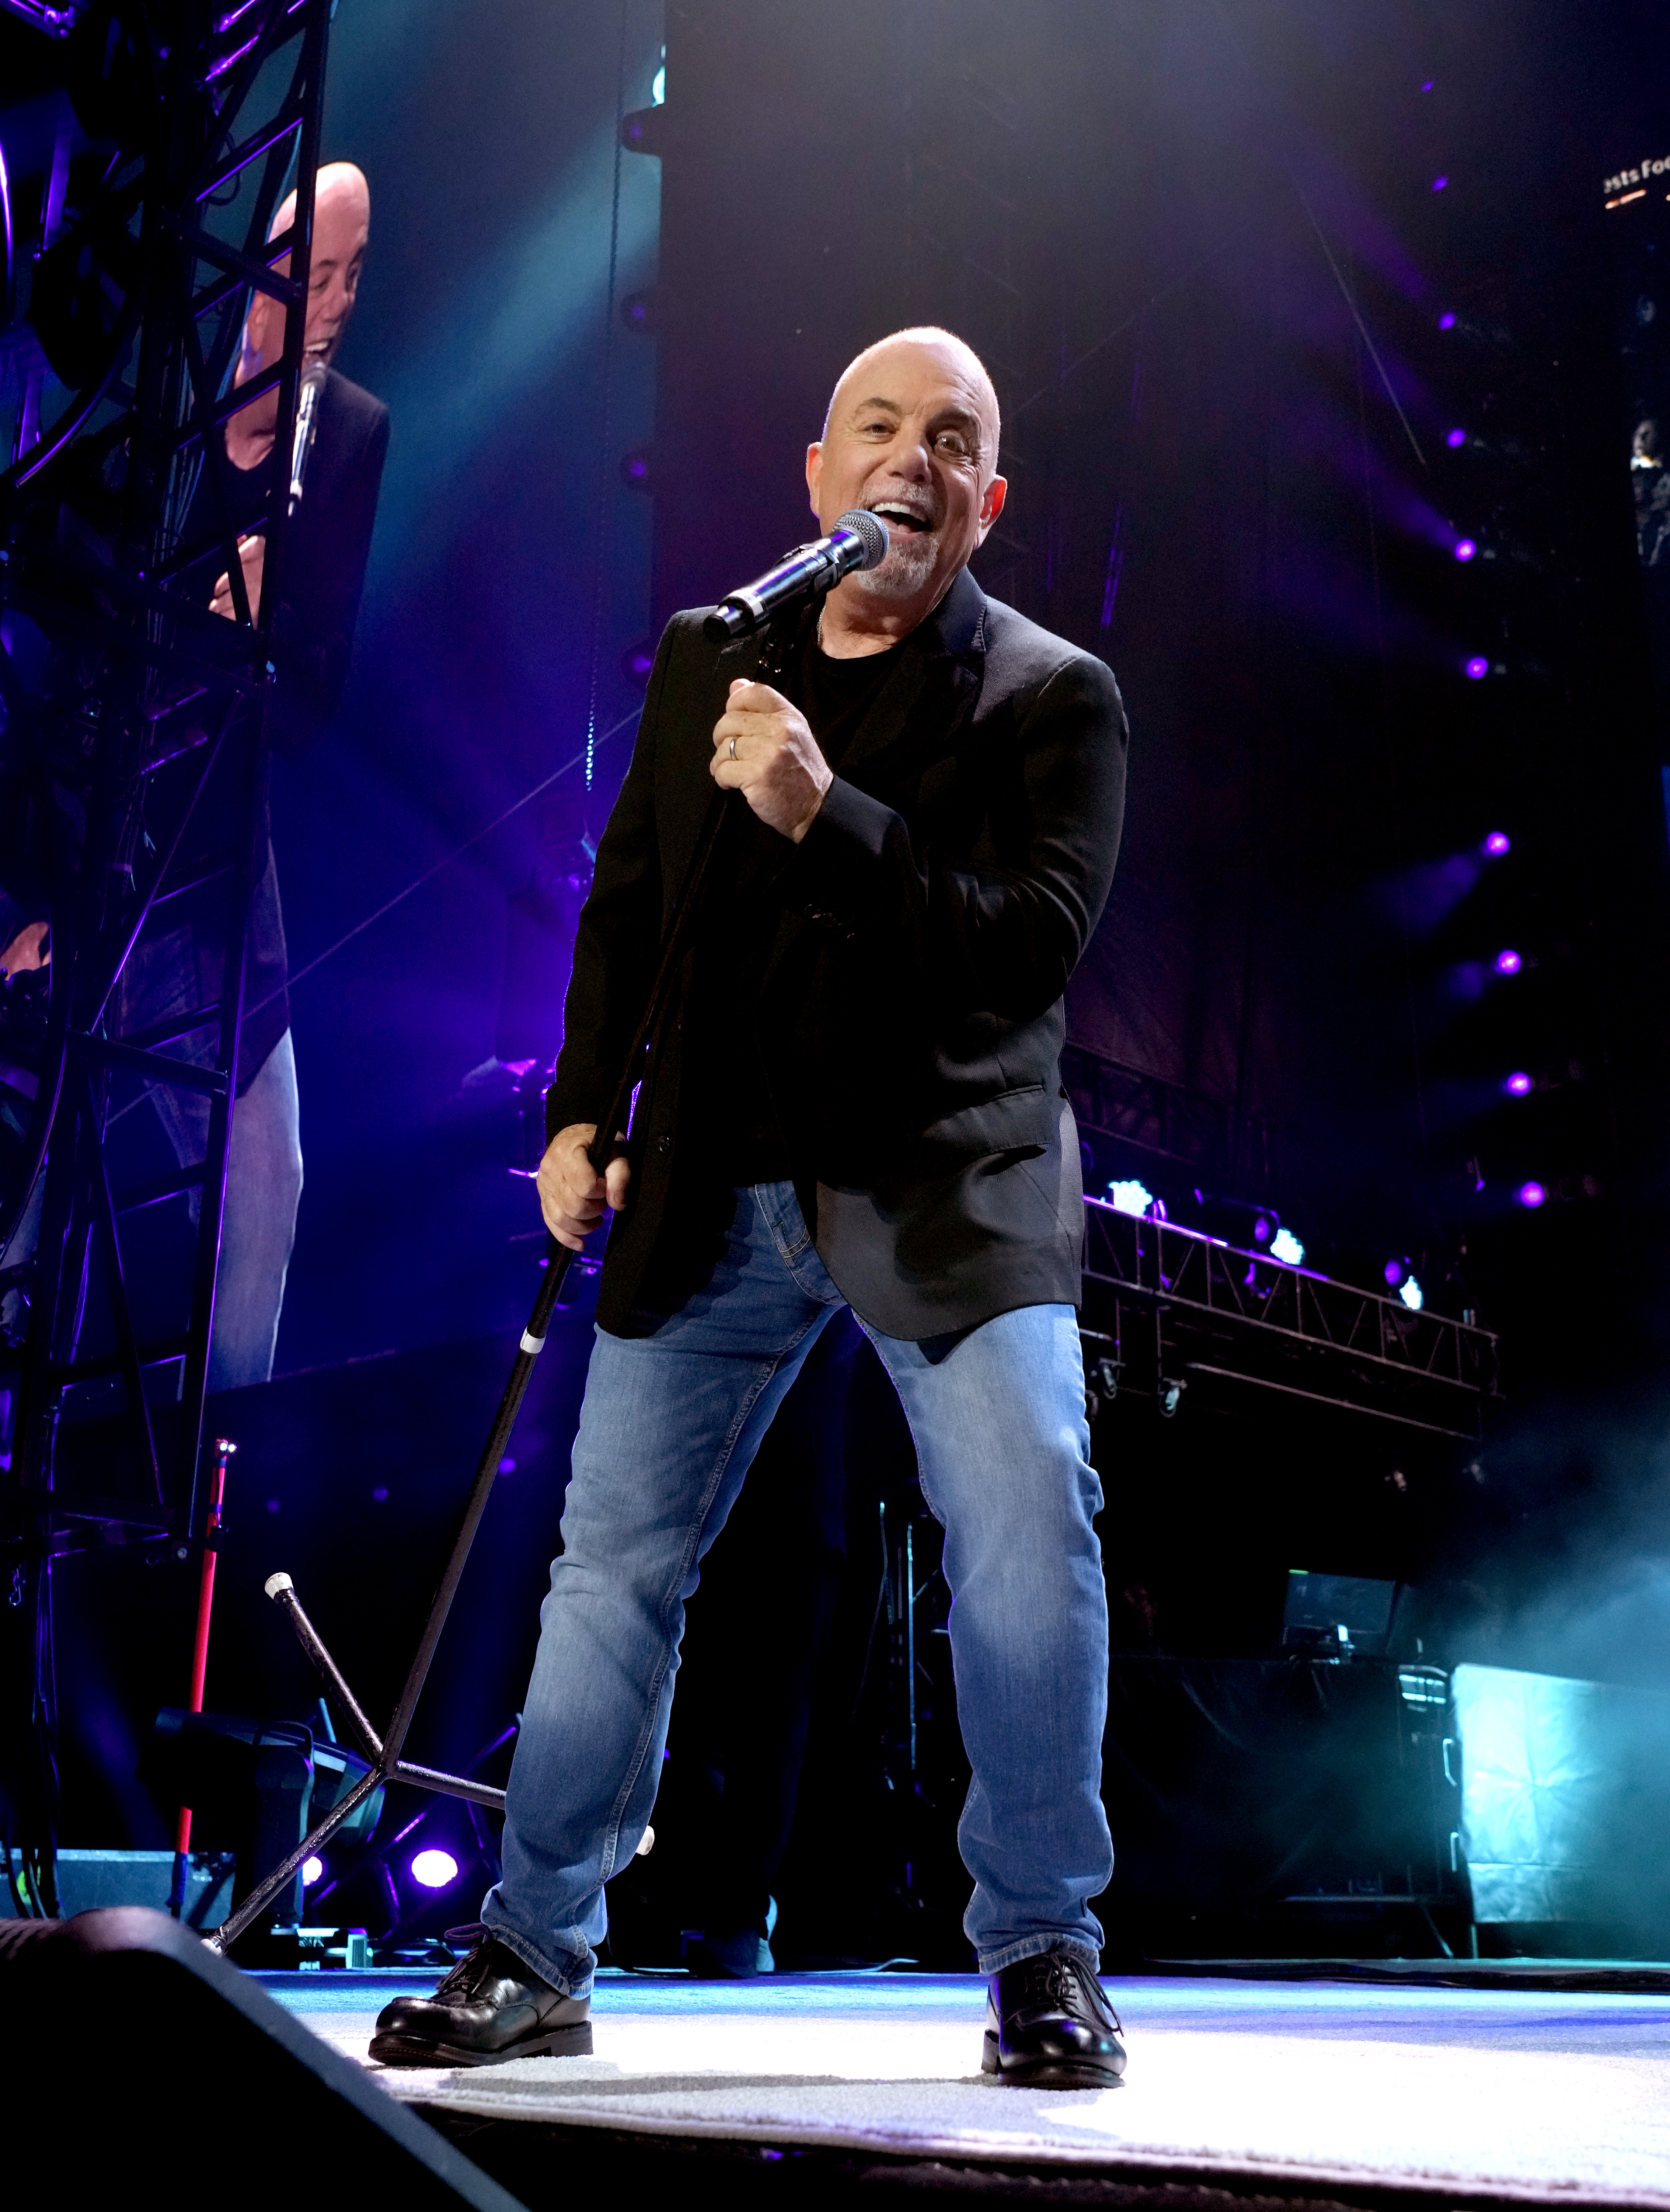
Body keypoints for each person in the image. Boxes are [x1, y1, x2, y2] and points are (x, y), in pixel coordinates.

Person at [372, 328, 1130, 2086]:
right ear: (817, 473)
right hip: (714, 1176)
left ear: (986, 500)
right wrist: (578, 1111)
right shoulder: (718, 650)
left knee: (1027, 1528)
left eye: (954, 439)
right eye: (880, 426)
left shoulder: (1047, 694)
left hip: (945, 1177)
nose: (913, 459)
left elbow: (1022, 949)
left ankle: (1039, 1952)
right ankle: (531, 1947)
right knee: (609, 1568)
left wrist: (825, 813)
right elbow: (630, 902)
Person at [120, 162, 387, 1388]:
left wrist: (266, 639)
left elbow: (316, 703)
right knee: (45, 1178)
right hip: (91, 828)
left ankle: (214, 1482)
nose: (329, 304)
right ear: (253, 267)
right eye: (308, 274)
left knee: (268, 1173)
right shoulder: (154, 390)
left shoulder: (348, 437)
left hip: (217, 852)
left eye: (351, 276)